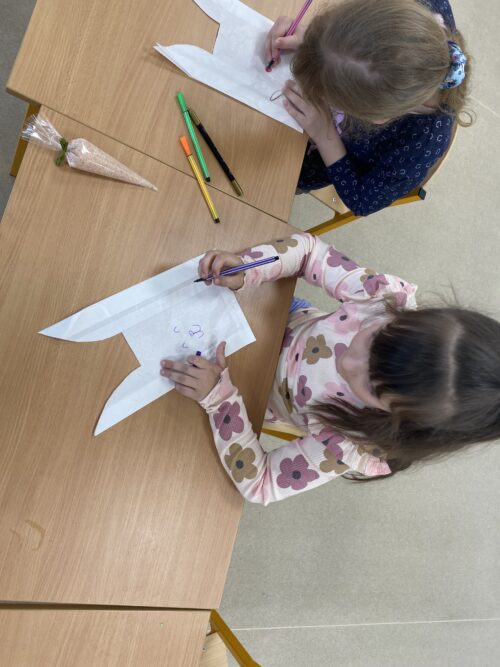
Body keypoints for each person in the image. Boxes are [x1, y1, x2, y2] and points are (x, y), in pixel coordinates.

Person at [159, 234, 500, 505]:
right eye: (374, 339)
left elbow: (261, 484)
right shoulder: (382, 300)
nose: (348, 362)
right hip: (278, 316)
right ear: (408, 319)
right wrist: (249, 268)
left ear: (401, 419)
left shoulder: (351, 444)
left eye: (371, 386)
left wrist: (221, 401)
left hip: (251, 390)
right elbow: (309, 252)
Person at [265, 0, 471, 216]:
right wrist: (318, 41)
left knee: (262, 179)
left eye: (330, 96)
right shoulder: (422, 5)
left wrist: (324, 134)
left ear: (378, 118)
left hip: (319, 159)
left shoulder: (420, 145)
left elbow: (362, 201)